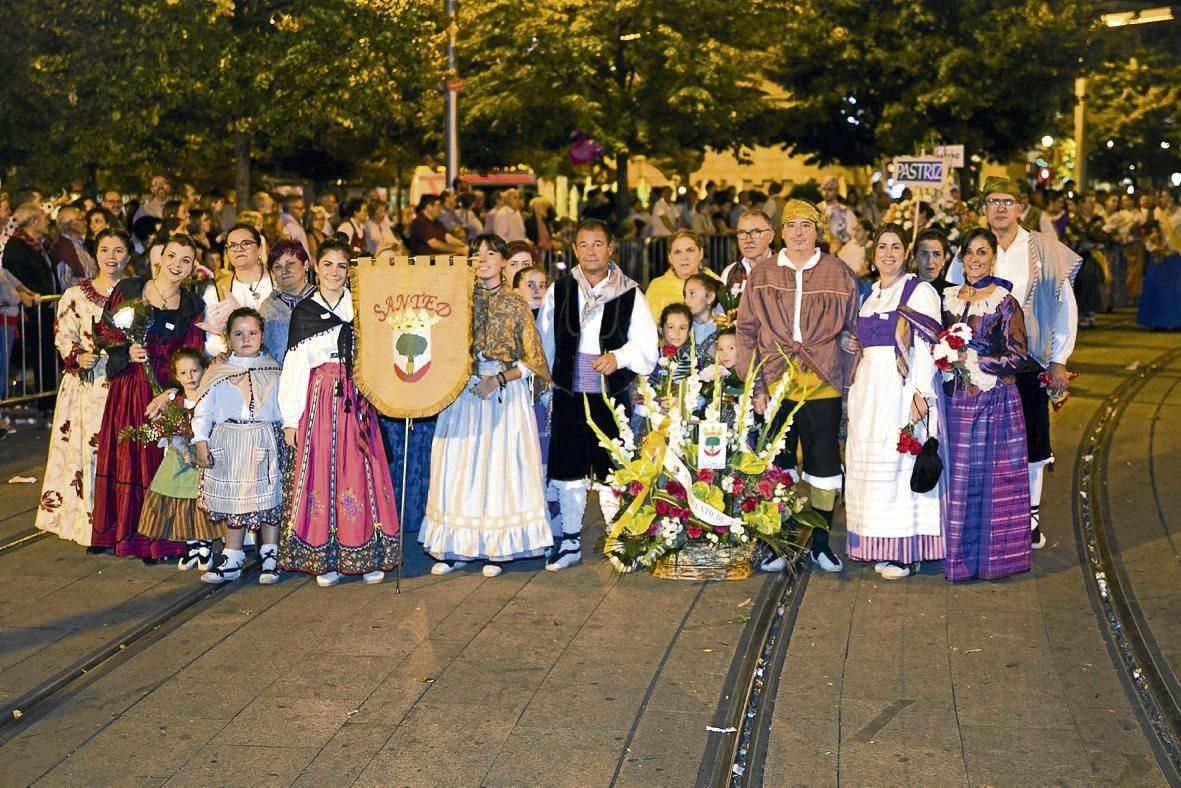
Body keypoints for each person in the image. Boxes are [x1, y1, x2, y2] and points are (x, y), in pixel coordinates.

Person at [946, 176, 1080, 549]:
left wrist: (1058, 360)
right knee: (983, 442)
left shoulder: (1043, 248)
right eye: (993, 201)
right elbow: (953, 298)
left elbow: (1065, 307)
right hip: (976, 364)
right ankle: (988, 513)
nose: (1000, 207)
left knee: (1032, 440)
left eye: (1008, 200)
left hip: (1028, 360)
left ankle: (1030, 518)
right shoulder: (972, 247)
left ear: (1020, 207)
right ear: (983, 208)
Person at [735, 199, 859, 573]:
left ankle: (820, 542)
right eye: (792, 226)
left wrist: (849, 378)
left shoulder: (839, 273)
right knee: (781, 465)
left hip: (823, 384)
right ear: (782, 233)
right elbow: (746, 332)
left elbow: (854, 331)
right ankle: (782, 540)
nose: (799, 233)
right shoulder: (763, 275)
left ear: (816, 230)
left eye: (806, 226)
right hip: (776, 382)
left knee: (823, 462)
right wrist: (755, 385)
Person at [420, 235, 553, 576]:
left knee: (498, 467)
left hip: (502, 394)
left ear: (503, 261)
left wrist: (499, 379)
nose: (483, 259)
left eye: (491, 252)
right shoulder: (456, 302)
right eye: (477, 253)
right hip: (463, 391)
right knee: (458, 467)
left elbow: (534, 360)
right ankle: (456, 546)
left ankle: (497, 547)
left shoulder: (515, 304)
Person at [536, 219, 658, 570]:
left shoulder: (630, 293)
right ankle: (570, 541)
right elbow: (545, 343)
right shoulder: (558, 291)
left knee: (612, 468)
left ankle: (619, 537)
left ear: (611, 248)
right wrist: (550, 382)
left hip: (610, 393)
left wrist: (617, 357)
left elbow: (647, 345)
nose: (591, 251)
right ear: (574, 250)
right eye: (584, 244)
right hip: (569, 393)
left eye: (598, 244)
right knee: (569, 468)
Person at [277, 239, 400, 586]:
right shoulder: (305, 312)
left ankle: (368, 552)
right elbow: (295, 367)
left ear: (349, 271)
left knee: (362, 471)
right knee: (323, 471)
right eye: (328, 265)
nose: (334, 272)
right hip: (320, 398)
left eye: (341, 266)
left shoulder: (362, 307)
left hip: (358, 395)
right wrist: (290, 418)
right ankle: (325, 557)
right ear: (317, 267)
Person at [91, 235, 206, 561]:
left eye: (185, 260)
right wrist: (127, 348)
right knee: (128, 455)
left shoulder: (191, 305)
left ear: (192, 268)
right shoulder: (129, 288)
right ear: (160, 258)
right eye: (172, 256)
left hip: (164, 390)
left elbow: (193, 352)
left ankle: (160, 539)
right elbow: (105, 329)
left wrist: (172, 392)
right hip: (129, 386)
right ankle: (123, 534)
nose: (177, 265)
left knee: (160, 464)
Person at [842, 224, 944, 579]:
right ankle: (877, 543)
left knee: (900, 469)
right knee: (872, 469)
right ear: (873, 254)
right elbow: (862, 343)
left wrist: (921, 393)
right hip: (869, 391)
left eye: (896, 247)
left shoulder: (918, 292)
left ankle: (906, 551)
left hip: (900, 390)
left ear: (906, 253)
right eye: (882, 247)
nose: (888, 253)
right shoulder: (869, 295)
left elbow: (929, 349)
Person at [942, 228, 1032, 581]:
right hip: (954, 402)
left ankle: (990, 560)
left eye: (982, 252)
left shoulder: (1004, 301)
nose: (975, 259)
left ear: (993, 257)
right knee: (957, 482)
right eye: (969, 252)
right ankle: (957, 559)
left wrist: (979, 362)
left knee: (989, 484)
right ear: (961, 257)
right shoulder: (947, 297)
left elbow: (1019, 355)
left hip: (993, 401)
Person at [34, 228, 131, 545]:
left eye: (118, 250)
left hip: (124, 382)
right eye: (105, 249)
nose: (111, 257)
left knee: (121, 451)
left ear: (128, 255)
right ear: (96, 253)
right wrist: (79, 356)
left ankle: (121, 520)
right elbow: (63, 335)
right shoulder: (75, 295)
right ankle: (89, 521)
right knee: (88, 452)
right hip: (87, 385)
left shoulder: (137, 295)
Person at [193, 308, 285, 584]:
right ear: (228, 338)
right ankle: (232, 556)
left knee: (268, 498)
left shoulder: (274, 370)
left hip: (263, 439)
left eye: (252, 333)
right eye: (239, 333)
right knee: (234, 499)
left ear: (262, 336)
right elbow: (203, 410)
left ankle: (271, 556)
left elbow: (284, 407)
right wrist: (201, 441)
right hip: (229, 440)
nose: (246, 339)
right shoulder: (218, 372)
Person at [137, 347, 220, 567]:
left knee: (202, 501)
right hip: (181, 458)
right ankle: (192, 544)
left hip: (204, 457)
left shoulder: (210, 397)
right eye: (183, 373)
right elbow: (169, 430)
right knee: (183, 502)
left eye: (194, 371)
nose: (190, 377)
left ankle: (205, 544)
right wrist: (182, 450)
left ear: (204, 370)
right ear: (176, 376)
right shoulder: (175, 402)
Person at [3, 203, 59, 408]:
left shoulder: (37, 243)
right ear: (34, 221)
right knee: (41, 355)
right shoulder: (17, 246)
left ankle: (49, 397)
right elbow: (17, 276)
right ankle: (45, 401)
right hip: (31, 311)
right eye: (44, 218)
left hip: (43, 308)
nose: (48, 222)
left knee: (47, 353)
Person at [202, 223, 274, 357]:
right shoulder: (217, 290)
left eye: (246, 243)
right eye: (233, 245)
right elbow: (211, 340)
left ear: (259, 249)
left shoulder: (278, 282)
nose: (239, 249)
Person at [258, 240, 314, 363]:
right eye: (278, 267)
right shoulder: (267, 307)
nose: (285, 271)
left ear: (305, 265)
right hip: (279, 377)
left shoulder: (322, 300)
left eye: (290, 264)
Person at [645, 229, 712, 321]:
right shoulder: (657, 288)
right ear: (670, 258)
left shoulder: (715, 283)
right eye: (677, 252)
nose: (684, 257)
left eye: (690, 250)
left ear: (701, 253)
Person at [720, 210, 776, 298]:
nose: (748, 240)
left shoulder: (785, 271)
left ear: (771, 236)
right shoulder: (730, 272)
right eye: (742, 233)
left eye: (756, 232)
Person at [51, 206, 98, 291]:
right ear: (69, 224)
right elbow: (66, 283)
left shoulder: (79, 244)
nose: (86, 223)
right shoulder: (62, 248)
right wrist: (92, 284)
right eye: (81, 220)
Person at [683, 272, 722, 352]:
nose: (686, 300)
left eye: (692, 293)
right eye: (685, 295)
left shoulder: (723, 327)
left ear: (710, 297)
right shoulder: (683, 327)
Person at [820, 177, 856, 249]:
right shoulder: (817, 209)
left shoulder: (846, 211)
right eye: (824, 189)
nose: (826, 193)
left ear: (836, 191)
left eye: (830, 189)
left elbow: (853, 234)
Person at [913, 228, 953, 294]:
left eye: (936, 254)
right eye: (924, 254)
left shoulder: (954, 294)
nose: (930, 260)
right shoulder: (902, 290)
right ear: (915, 259)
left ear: (943, 260)